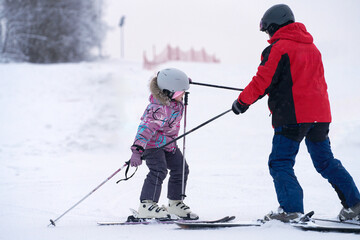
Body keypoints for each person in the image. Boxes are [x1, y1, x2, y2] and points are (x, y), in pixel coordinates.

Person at [231, 4, 360, 222]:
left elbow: (263, 80)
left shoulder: (279, 48)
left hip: (293, 116)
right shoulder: (313, 48)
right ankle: (355, 205)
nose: (268, 35)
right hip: (320, 116)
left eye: (269, 30)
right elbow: (296, 80)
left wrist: (242, 102)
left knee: (280, 162)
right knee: (326, 162)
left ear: (276, 25)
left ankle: (290, 210)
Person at [129, 68, 198, 220]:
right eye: (181, 93)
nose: (183, 95)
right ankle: (147, 205)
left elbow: (174, 88)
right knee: (159, 170)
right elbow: (145, 129)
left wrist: (182, 84)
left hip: (169, 144)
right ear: (168, 92)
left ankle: (174, 202)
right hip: (151, 145)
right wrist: (137, 149)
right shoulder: (158, 109)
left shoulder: (174, 102)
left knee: (181, 168)